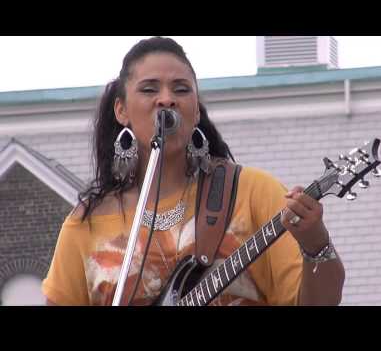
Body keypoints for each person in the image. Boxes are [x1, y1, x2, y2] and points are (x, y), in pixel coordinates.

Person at [42, 36, 345, 306]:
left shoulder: (253, 193)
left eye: (181, 89)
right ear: (121, 110)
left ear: (196, 110)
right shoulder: (86, 224)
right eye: (149, 89)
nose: (166, 99)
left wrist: (315, 243)